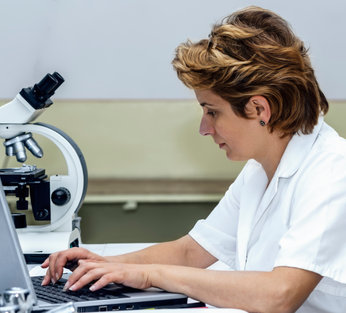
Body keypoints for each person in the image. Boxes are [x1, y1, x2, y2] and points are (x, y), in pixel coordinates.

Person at [41, 6, 346, 313]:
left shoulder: (332, 172)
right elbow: (191, 252)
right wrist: (103, 264)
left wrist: (149, 275)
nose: (204, 128)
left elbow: (279, 295)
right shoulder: (261, 168)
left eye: (212, 111)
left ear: (259, 109)